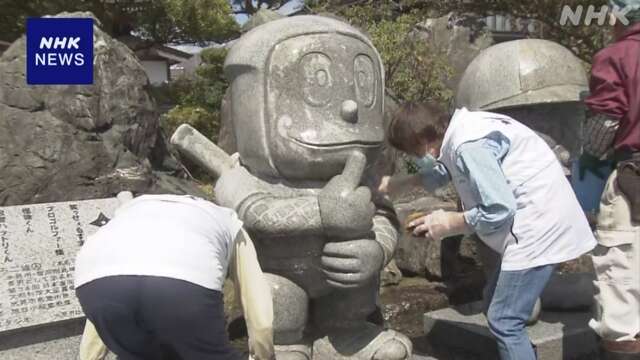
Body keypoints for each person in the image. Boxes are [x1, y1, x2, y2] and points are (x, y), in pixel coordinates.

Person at [379, 102, 596, 360]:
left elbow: (498, 209)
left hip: (536, 227)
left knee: (504, 320)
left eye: (411, 152)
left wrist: (449, 223)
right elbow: (440, 173)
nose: (413, 159)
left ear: (423, 141)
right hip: (543, 219)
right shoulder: (462, 130)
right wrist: (397, 184)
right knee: (495, 299)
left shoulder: (468, 145)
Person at [73, 193, 274, 360]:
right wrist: (264, 355)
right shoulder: (227, 220)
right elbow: (258, 312)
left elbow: (107, 280)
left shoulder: (131, 213)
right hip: (183, 287)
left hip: (94, 282)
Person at [580, 1, 640, 358]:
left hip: (633, 175)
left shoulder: (618, 55)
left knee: (621, 277)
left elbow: (606, 120)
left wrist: (591, 154)